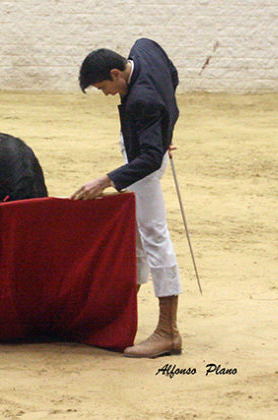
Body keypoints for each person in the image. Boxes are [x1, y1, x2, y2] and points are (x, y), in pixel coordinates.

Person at [73, 38, 183, 358]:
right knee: (137, 237)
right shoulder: (144, 47)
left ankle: (168, 332)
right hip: (146, 148)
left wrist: (106, 180)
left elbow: (147, 160)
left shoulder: (141, 102)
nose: (106, 94)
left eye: (103, 87)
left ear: (116, 73)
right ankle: (120, 319)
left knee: (153, 237)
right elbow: (172, 76)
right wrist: (164, 131)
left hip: (142, 167)